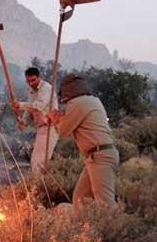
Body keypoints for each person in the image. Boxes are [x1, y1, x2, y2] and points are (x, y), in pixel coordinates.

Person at [44, 74, 119, 207]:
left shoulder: (77, 103)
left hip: (99, 157)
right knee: (80, 198)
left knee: (105, 204)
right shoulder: (93, 100)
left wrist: (55, 118)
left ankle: (111, 227)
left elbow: (63, 131)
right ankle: (86, 226)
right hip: (99, 155)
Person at [11, 66, 59, 175]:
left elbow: (38, 107)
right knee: (37, 160)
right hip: (41, 129)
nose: (31, 83)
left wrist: (20, 105)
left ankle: (39, 186)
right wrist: (24, 122)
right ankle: (39, 185)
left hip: (50, 128)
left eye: (33, 80)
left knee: (38, 162)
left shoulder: (46, 88)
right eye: (28, 81)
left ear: (39, 77)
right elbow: (30, 111)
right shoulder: (32, 92)